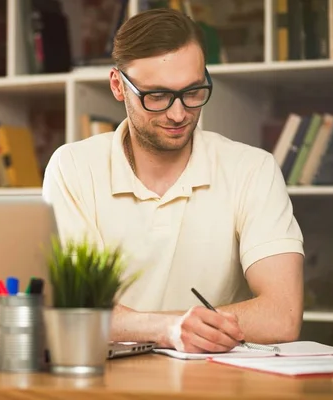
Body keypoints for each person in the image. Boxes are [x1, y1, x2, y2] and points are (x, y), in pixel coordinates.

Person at [41, 8, 305, 354]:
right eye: (158, 96)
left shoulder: (252, 169)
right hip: (108, 383)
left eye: (193, 92)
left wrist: (143, 324)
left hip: (217, 382)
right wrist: (166, 328)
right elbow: (72, 313)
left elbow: (281, 316)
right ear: (118, 86)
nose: (179, 113)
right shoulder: (73, 167)